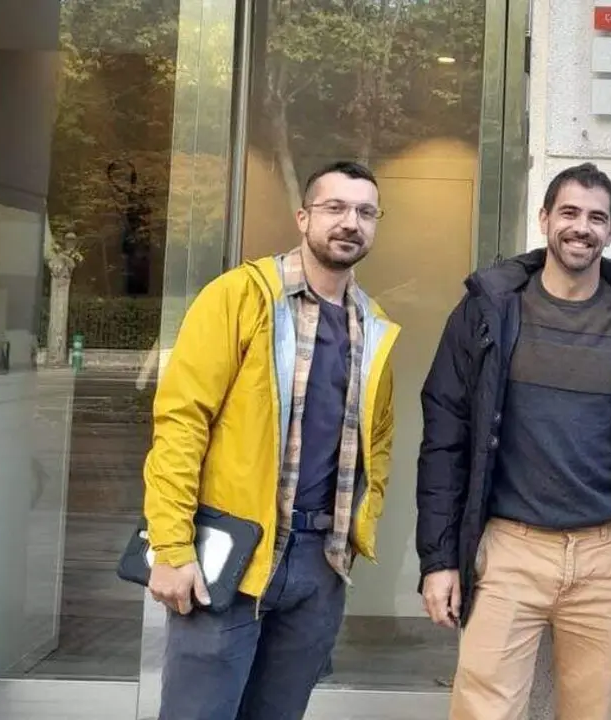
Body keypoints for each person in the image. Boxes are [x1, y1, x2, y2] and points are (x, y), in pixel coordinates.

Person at [415, 162, 611, 720]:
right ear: (544, 219)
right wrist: (439, 558)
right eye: (569, 212)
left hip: (606, 555)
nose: (581, 227)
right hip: (509, 550)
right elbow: (446, 436)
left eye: (597, 217)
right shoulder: (488, 310)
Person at [142, 160, 400, 720]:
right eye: (334, 208)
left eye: (364, 212)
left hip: (318, 563)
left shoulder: (372, 323)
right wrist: (170, 545)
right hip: (232, 552)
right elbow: (182, 421)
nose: (349, 222)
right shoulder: (241, 296)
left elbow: (377, 441)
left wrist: (356, 531)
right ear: (304, 217)